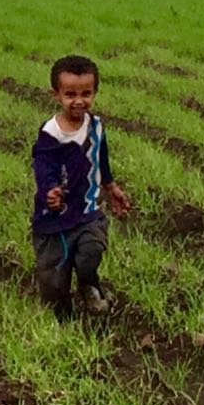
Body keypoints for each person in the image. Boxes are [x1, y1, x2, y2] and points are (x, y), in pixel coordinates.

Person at [31, 54, 132, 321]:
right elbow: (43, 165)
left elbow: (100, 157)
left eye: (86, 93)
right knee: (54, 281)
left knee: (92, 250)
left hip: (88, 210)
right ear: (56, 95)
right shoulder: (51, 133)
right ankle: (62, 321)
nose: (79, 100)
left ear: (95, 92)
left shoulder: (95, 126)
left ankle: (89, 284)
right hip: (55, 218)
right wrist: (50, 190)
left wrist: (111, 186)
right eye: (70, 94)